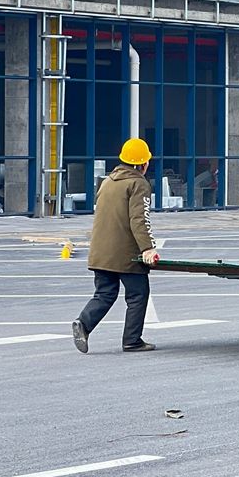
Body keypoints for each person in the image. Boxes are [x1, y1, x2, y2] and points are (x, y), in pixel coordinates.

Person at [72, 138, 160, 353]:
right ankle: (132, 340)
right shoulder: (138, 184)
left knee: (105, 293)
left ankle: (83, 323)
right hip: (125, 253)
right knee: (138, 294)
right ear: (143, 164)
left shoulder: (108, 181)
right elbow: (140, 219)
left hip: (100, 252)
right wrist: (147, 248)